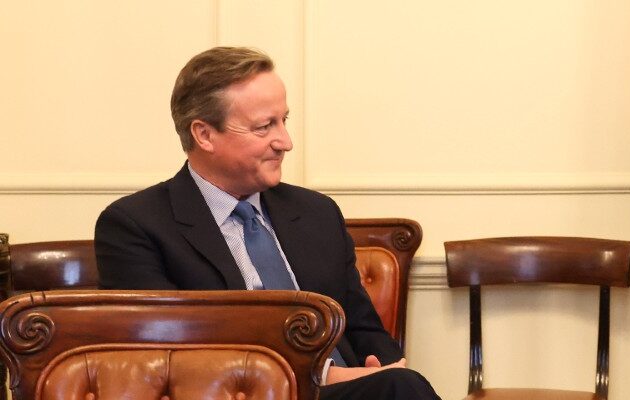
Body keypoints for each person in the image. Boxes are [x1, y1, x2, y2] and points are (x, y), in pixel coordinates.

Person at [94, 46, 440, 400]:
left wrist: (382, 367)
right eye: (264, 127)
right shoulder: (135, 226)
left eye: (284, 121)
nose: (285, 142)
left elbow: (362, 324)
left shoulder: (317, 213)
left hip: (349, 392)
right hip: (237, 394)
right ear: (204, 135)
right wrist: (326, 376)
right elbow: (173, 354)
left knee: (401, 382)